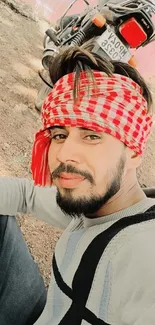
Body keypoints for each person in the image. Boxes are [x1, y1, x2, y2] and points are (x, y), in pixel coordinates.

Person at [1, 43, 155, 325]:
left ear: (133, 152)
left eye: (92, 136)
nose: (63, 154)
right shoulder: (95, 203)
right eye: (59, 135)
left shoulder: (145, 256)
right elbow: (25, 195)